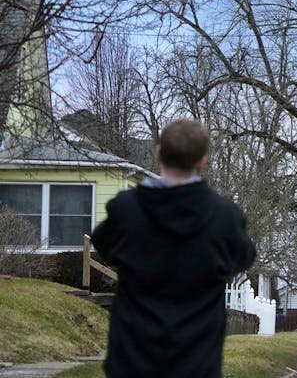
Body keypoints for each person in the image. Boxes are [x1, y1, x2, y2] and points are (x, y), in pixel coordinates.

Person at [91, 118, 256, 378]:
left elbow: (104, 244)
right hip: (197, 359)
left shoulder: (126, 210)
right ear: (202, 161)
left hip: (133, 356)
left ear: (158, 154)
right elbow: (243, 257)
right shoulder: (225, 217)